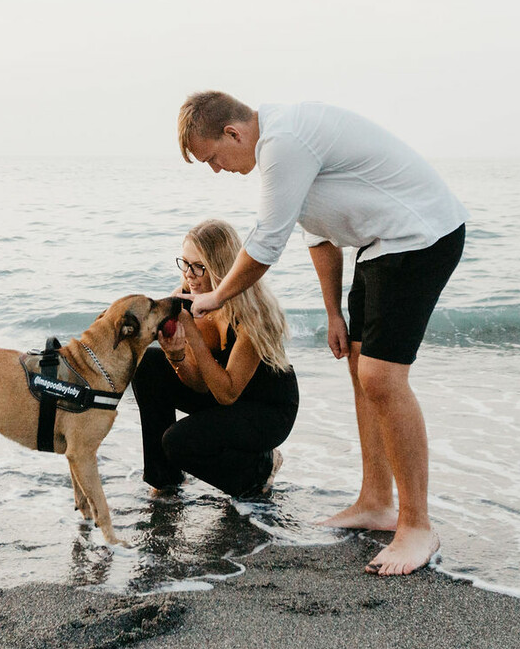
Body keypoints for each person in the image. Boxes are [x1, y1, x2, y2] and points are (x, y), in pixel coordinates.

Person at [176, 92, 466, 575]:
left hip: (420, 237)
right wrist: (334, 312)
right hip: (377, 245)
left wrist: (216, 296)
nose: (217, 169)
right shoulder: (280, 151)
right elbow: (319, 235)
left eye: (213, 158)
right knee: (359, 366)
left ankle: (417, 525)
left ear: (233, 133)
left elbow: (267, 240)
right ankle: (376, 500)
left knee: (382, 378)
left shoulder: (282, 142)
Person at [133, 218, 299, 500]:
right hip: (225, 395)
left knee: (178, 442)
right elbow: (199, 384)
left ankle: (260, 468)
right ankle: (165, 480)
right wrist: (176, 356)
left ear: (223, 268)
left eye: (200, 266)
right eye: (184, 263)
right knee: (148, 365)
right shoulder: (187, 298)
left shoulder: (253, 316)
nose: (190, 275)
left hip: (267, 409)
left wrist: (193, 338)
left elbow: (226, 394)